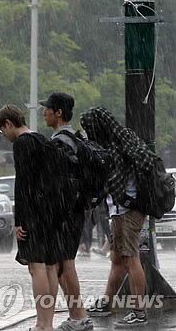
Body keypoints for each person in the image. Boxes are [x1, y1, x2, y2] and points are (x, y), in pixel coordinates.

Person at [0, 104, 63, 331]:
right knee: (52, 265)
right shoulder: (43, 140)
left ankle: (42, 324)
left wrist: (20, 220)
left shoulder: (22, 144)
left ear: (8, 123)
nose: (3, 134)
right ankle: (48, 322)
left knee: (37, 266)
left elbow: (23, 183)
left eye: (1, 129)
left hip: (34, 212)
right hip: (53, 210)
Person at [81, 107, 151, 327]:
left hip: (129, 208)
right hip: (120, 210)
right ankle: (106, 303)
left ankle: (139, 311)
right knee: (118, 259)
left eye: (89, 128)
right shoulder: (123, 138)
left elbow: (113, 181)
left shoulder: (115, 145)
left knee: (131, 258)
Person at [40, 93, 93, 331]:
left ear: (58, 112)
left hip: (67, 210)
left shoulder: (61, 141)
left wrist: (59, 213)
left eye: (48, 108)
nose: (44, 112)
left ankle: (79, 317)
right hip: (75, 208)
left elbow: (61, 182)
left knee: (65, 263)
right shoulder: (76, 137)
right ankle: (77, 316)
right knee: (64, 263)